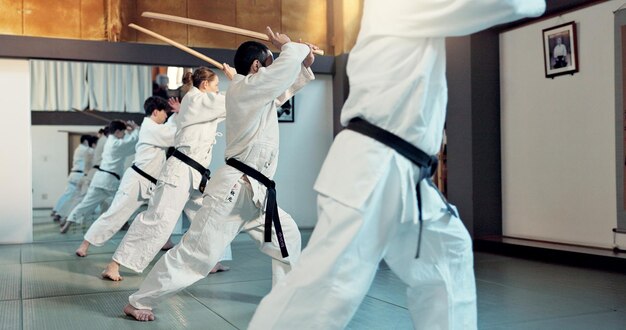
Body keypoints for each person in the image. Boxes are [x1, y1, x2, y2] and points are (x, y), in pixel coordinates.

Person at [247, 1, 547, 329]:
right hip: (374, 166)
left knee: (447, 256)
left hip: (405, 172)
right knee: (327, 289)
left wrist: (294, 52)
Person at [123, 28, 315, 322]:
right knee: (196, 255)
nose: (274, 64)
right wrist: (290, 47)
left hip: (257, 195)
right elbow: (280, 75)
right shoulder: (246, 89)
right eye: (269, 60)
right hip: (233, 192)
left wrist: (303, 64)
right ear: (256, 66)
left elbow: (284, 87)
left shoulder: (256, 93)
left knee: (286, 240)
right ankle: (139, 301)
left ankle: (282, 300)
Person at [100, 66, 234, 281]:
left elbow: (237, 104)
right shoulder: (195, 99)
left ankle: (210, 261)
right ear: (205, 85)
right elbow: (232, 100)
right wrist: (239, 80)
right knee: (158, 219)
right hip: (180, 172)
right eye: (217, 86)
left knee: (208, 216)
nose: (219, 91)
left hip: (196, 175)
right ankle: (114, 264)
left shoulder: (205, 105)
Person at [75, 96, 176, 257]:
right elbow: (173, 135)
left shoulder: (153, 128)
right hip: (137, 180)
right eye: (165, 113)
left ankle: (165, 241)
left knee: (163, 213)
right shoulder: (151, 128)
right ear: (156, 112)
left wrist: (176, 114)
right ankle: (85, 244)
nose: (166, 117)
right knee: (116, 214)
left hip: (153, 183)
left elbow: (170, 129)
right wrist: (178, 113)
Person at [61, 120, 139, 233]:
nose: (123, 135)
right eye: (123, 132)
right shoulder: (115, 144)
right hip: (109, 181)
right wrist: (136, 129)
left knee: (85, 204)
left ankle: (67, 223)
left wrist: (130, 131)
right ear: (118, 131)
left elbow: (129, 141)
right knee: (123, 202)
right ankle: (122, 224)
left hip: (99, 179)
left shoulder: (109, 141)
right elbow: (133, 141)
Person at [51, 135, 92, 222]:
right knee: (72, 196)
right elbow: (93, 152)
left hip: (75, 175)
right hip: (78, 175)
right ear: (85, 141)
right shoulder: (83, 149)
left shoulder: (80, 149)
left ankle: (57, 212)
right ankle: (58, 213)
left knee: (69, 195)